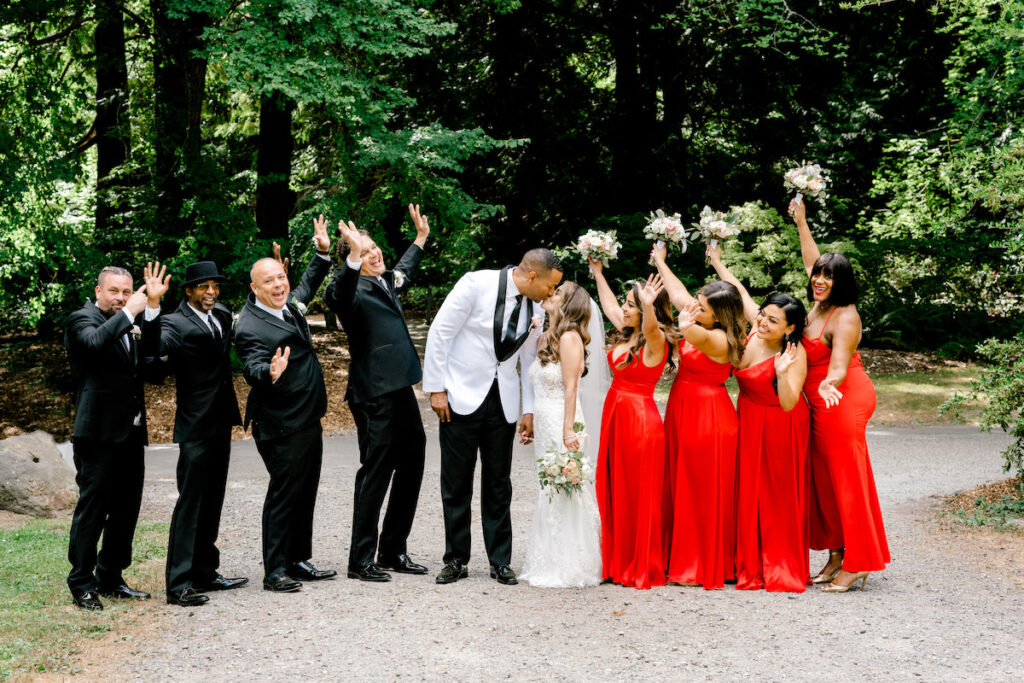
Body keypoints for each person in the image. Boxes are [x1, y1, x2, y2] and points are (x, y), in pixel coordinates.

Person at [422, 249, 563, 585]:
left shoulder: (536, 309)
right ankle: (456, 559)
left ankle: (500, 560)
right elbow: (440, 332)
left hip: (504, 401)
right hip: (459, 396)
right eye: (550, 286)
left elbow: (530, 358)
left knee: (499, 483)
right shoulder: (475, 284)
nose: (552, 294)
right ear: (532, 277)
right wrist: (436, 388)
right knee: (456, 482)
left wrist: (528, 408)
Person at [324, 205, 431, 583]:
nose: (374, 254)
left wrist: (419, 238)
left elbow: (405, 270)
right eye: (364, 251)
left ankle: (392, 550)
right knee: (376, 473)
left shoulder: (385, 280)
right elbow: (339, 293)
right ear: (354, 258)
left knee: (413, 464)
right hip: (373, 395)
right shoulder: (350, 292)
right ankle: (360, 559)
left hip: (400, 389)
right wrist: (352, 255)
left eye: (373, 248)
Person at [789, 198, 890, 592]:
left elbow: (840, 364)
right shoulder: (816, 306)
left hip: (841, 396)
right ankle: (835, 555)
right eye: (817, 275)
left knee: (847, 479)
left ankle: (858, 562)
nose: (819, 280)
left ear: (841, 281)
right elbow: (812, 258)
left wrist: (829, 382)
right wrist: (801, 222)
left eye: (828, 277)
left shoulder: (844, 315)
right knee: (825, 482)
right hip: (819, 401)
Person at [234, 216, 336, 593]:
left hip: (307, 416)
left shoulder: (288, 307)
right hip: (279, 422)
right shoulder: (249, 325)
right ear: (254, 288)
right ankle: (275, 569)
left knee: (306, 489)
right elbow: (252, 365)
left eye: (281, 277)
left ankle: (297, 558)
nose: (279, 285)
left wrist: (322, 252)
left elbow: (307, 284)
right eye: (269, 281)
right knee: (283, 492)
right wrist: (269, 373)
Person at [141, 260, 249, 607]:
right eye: (203, 286)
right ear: (188, 290)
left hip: (221, 420)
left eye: (215, 286)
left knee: (214, 499)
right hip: (195, 424)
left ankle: (205, 571)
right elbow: (155, 349)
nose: (211, 292)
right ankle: (178, 583)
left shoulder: (221, 315)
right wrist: (153, 308)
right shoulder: (174, 322)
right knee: (191, 503)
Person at [709, 245, 811, 592]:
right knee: (748, 490)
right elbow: (738, 291)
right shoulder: (756, 329)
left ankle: (778, 563)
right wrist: (718, 262)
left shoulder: (793, 355)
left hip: (782, 423)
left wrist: (782, 373)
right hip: (749, 418)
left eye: (772, 320)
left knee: (776, 492)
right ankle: (747, 560)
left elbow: (788, 403)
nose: (763, 321)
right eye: (763, 315)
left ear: (789, 328)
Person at [64, 266, 160, 610]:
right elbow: (92, 344)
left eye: (127, 292)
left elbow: (148, 366)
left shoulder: (129, 322)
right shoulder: (82, 319)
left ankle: (110, 575)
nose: (121, 297)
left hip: (131, 433)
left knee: (126, 509)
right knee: (94, 509)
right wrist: (132, 310)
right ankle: (81, 581)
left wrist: (150, 312)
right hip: (98, 435)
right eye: (114, 291)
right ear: (98, 290)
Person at [651, 245, 745, 590]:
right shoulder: (705, 318)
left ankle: (698, 563)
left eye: (701, 306)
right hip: (684, 405)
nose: (693, 305)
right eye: (697, 301)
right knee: (680, 479)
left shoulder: (716, 337)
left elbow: (690, 330)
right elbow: (679, 296)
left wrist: (685, 317)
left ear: (718, 315)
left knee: (698, 486)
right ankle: (678, 555)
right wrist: (661, 261)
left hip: (707, 416)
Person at [590, 260, 673, 590]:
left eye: (630, 305)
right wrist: (598, 272)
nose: (623, 309)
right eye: (626, 303)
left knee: (636, 493)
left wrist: (649, 307)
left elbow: (652, 329)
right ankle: (616, 559)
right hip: (616, 414)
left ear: (645, 311)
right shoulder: (627, 332)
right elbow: (609, 305)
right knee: (614, 487)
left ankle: (638, 563)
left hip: (639, 420)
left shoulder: (656, 340)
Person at [520, 281, 604, 588]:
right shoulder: (546, 338)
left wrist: (569, 429)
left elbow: (571, 387)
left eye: (556, 293)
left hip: (562, 421)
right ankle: (548, 557)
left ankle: (570, 564)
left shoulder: (570, 338)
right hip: (544, 422)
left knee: (564, 486)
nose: (548, 294)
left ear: (566, 304)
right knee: (548, 485)